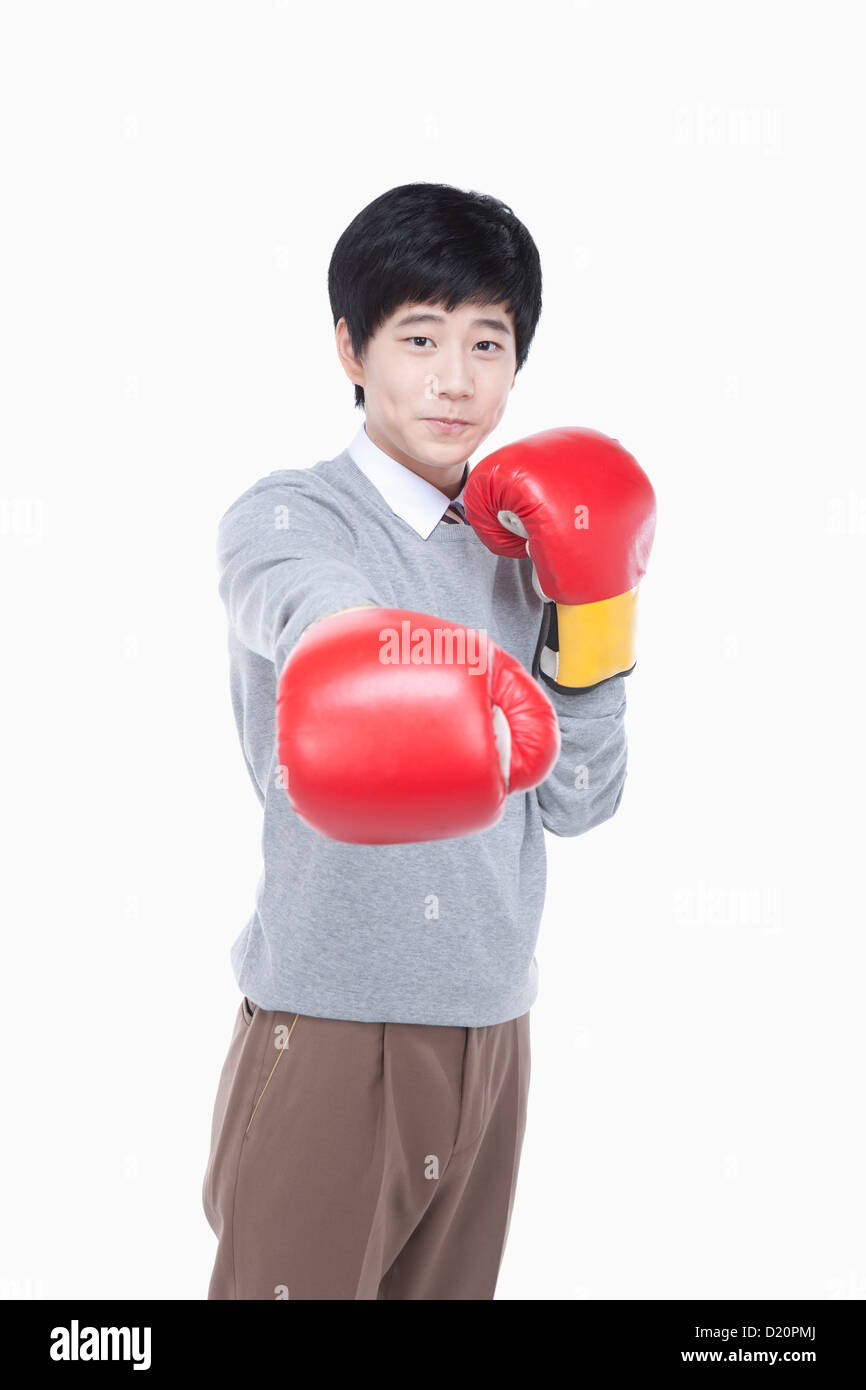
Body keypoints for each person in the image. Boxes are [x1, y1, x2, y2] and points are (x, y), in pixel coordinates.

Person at [201, 182, 650, 1299]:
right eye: (418, 337)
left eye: (486, 342)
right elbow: (313, 616)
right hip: (336, 1019)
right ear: (351, 348)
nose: (454, 378)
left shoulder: (526, 542)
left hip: (493, 1020)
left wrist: (595, 612)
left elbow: (581, 801)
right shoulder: (293, 516)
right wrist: (397, 656)